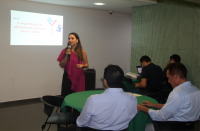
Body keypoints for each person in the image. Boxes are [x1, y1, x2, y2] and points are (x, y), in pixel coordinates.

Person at [137, 63, 200, 131]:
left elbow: (160, 116)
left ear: (176, 77)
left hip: (171, 127)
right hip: (189, 127)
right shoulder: (196, 90)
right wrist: (153, 104)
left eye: (169, 78)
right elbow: (173, 107)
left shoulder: (177, 94)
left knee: (141, 126)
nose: (168, 81)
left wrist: (142, 108)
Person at [76, 65, 138, 130]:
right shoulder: (132, 99)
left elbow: (80, 123)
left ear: (105, 81)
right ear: (122, 80)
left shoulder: (93, 100)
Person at [57, 32, 89, 98]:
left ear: (77, 40)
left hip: (78, 76)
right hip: (67, 76)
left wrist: (82, 66)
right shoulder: (65, 50)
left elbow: (86, 64)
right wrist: (66, 56)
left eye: (72, 38)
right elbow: (61, 65)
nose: (70, 40)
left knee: (77, 97)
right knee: (66, 96)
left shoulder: (82, 52)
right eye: (69, 38)